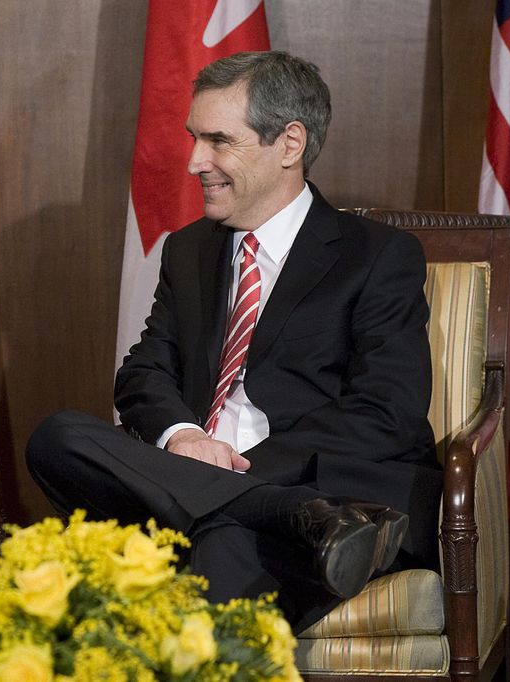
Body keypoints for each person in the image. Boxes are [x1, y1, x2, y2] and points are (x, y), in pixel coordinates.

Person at [27, 51, 441, 631]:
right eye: (195, 138)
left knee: (222, 551)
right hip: (231, 493)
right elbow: (146, 372)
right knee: (58, 436)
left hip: (322, 482)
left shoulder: (375, 256)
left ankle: (257, 510)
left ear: (289, 145)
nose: (196, 161)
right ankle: (283, 514)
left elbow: (387, 411)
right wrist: (185, 436)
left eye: (219, 141)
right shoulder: (190, 249)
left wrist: (241, 471)